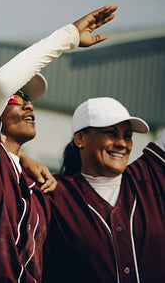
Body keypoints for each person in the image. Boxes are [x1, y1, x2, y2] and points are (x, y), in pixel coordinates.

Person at [0, 5, 118, 282]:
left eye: (28, 98)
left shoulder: (33, 183)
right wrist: (67, 36)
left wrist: (24, 161)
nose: (29, 105)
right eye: (17, 98)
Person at [44, 97, 165, 282]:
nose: (122, 143)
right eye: (111, 133)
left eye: (127, 135)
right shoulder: (55, 193)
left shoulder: (149, 178)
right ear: (80, 138)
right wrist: (22, 158)